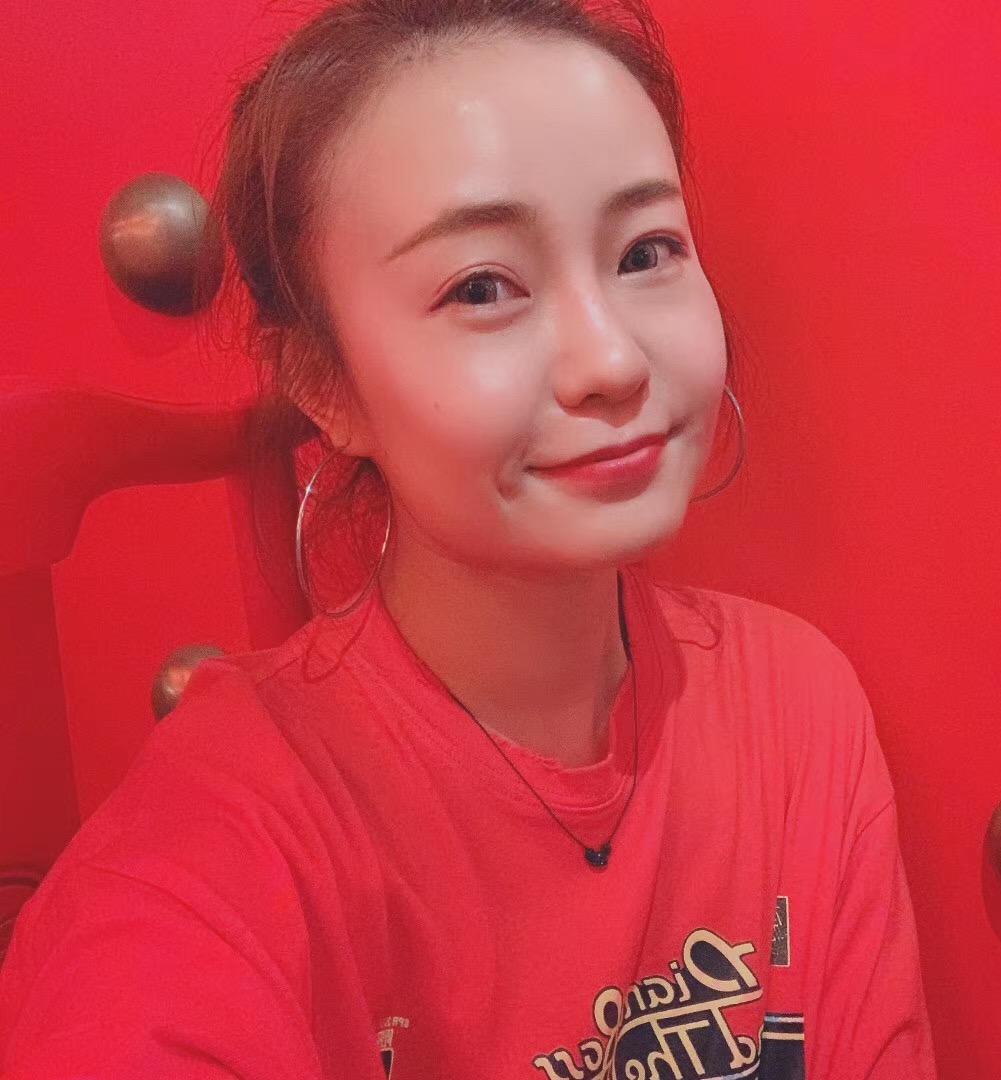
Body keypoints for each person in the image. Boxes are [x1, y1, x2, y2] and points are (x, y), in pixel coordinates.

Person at [0, 1, 937, 1077]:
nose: (613, 361)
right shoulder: (225, 839)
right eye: (482, 286)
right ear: (325, 384)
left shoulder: (793, 706)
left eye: (647, 251)